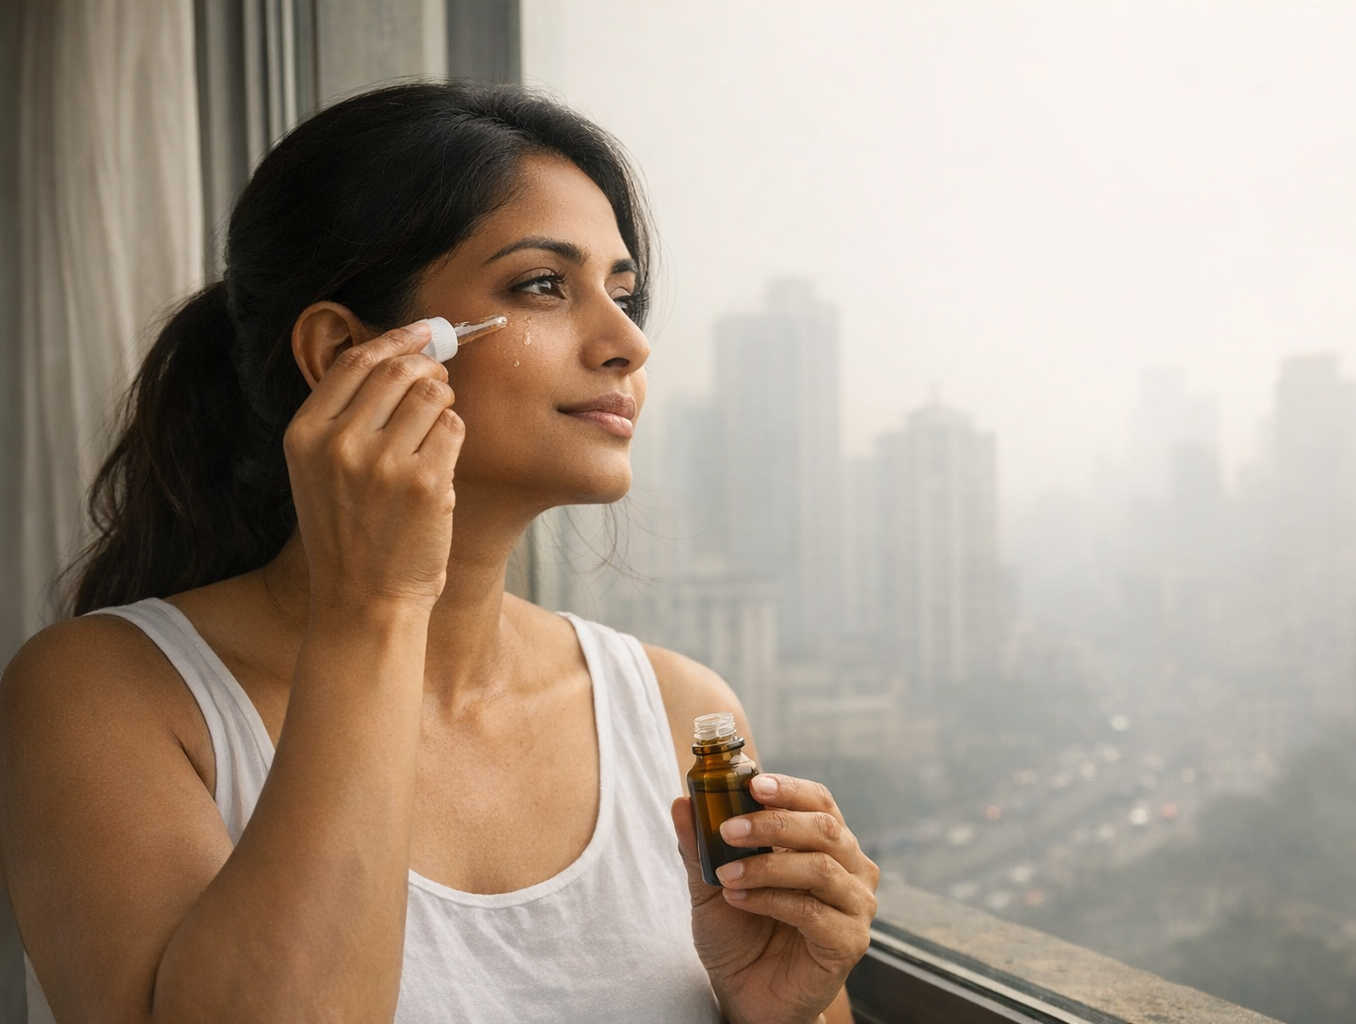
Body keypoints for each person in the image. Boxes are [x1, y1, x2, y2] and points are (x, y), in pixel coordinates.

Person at [0, 82, 877, 1024]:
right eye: (544, 285)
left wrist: (779, 1012)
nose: (628, 343)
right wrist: (373, 607)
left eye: (624, 293)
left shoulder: (681, 714)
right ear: (346, 351)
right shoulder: (101, 698)